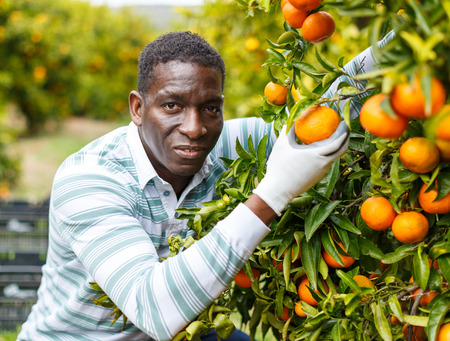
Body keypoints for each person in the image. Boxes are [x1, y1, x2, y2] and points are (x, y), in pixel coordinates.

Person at [18, 30, 389, 341]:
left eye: (211, 108)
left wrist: (403, 44)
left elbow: (324, 111)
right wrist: (274, 193)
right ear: (137, 107)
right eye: (172, 106)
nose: (194, 128)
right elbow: (154, 308)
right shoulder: (89, 179)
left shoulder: (227, 147)